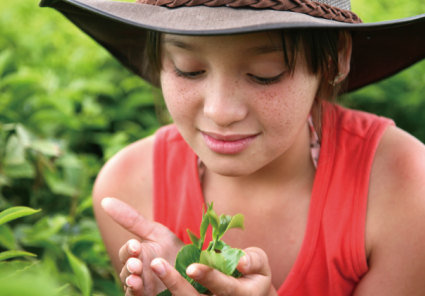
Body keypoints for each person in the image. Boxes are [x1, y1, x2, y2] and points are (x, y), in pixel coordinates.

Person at [40, 0, 425, 295]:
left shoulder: (402, 187)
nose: (220, 111)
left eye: (265, 74)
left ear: (335, 58)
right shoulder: (130, 189)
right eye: (188, 68)